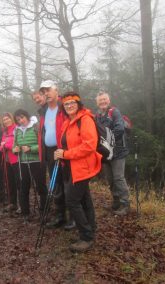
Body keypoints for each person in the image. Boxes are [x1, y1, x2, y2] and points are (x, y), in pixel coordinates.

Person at [54, 91, 101, 253]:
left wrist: (66, 154)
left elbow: (89, 145)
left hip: (82, 167)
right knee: (84, 199)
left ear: (78, 104)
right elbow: (66, 143)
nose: (69, 106)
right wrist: (60, 152)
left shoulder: (85, 119)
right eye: (66, 104)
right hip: (71, 166)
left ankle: (86, 237)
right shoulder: (68, 121)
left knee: (72, 201)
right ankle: (91, 228)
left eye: (72, 103)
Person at [37, 80, 74, 230]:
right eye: (43, 91)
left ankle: (73, 217)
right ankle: (60, 216)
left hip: (64, 151)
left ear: (56, 90)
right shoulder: (43, 111)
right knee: (56, 185)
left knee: (68, 185)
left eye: (48, 90)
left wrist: (66, 149)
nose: (46, 93)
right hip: (50, 152)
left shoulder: (64, 106)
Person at [96, 91, 130, 216]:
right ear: (97, 103)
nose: (103, 102)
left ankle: (125, 204)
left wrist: (107, 142)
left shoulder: (114, 112)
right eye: (100, 100)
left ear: (109, 100)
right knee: (110, 179)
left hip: (118, 151)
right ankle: (116, 202)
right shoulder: (98, 115)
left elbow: (120, 129)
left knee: (118, 178)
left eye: (104, 99)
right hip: (106, 153)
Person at [13, 109, 48, 224]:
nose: (21, 121)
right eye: (18, 119)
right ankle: (25, 214)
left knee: (41, 187)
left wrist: (31, 149)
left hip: (37, 162)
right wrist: (15, 150)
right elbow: (14, 146)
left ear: (27, 116)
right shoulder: (17, 131)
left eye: (22, 117)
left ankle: (44, 213)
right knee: (23, 189)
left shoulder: (35, 126)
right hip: (22, 163)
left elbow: (42, 144)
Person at [0, 112, 20, 213]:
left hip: (16, 159)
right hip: (6, 159)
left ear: (11, 119)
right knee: (10, 182)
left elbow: (16, 143)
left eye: (7, 119)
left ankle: (21, 204)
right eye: (4, 120)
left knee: (18, 181)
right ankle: (12, 203)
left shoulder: (16, 128)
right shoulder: (5, 132)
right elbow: (0, 145)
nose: (6, 121)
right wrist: (3, 146)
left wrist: (5, 145)